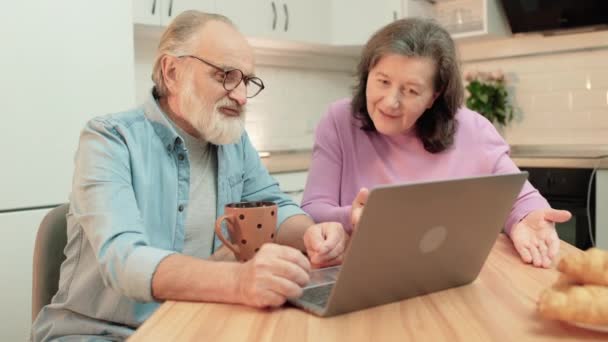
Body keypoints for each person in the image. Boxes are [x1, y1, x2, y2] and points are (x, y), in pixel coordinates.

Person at [31, 11, 347, 341]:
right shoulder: (110, 140)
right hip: (100, 333)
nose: (240, 96)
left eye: (246, 81)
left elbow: (276, 205)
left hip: (193, 324)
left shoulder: (234, 143)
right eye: (226, 75)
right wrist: (238, 281)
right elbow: (124, 261)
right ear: (172, 72)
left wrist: (312, 234)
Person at [301, 18, 571, 270]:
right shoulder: (339, 120)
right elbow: (312, 211)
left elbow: (518, 195)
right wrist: (352, 217)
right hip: (362, 274)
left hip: (446, 275)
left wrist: (527, 218)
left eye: (411, 90)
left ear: (434, 96)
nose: (390, 101)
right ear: (367, 73)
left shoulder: (472, 129)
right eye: (382, 81)